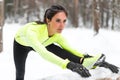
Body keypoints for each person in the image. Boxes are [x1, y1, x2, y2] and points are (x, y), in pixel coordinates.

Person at [13, 4, 119, 80]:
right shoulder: (32, 32)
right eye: (58, 21)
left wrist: (97, 62)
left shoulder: (56, 36)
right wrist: (68, 65)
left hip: (43, 42)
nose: (62, 25)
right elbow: (44, 53)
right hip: (21, 45)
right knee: (20, 73)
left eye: (64, 21)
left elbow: (72, 52)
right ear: (48, 20)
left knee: (63, 52)